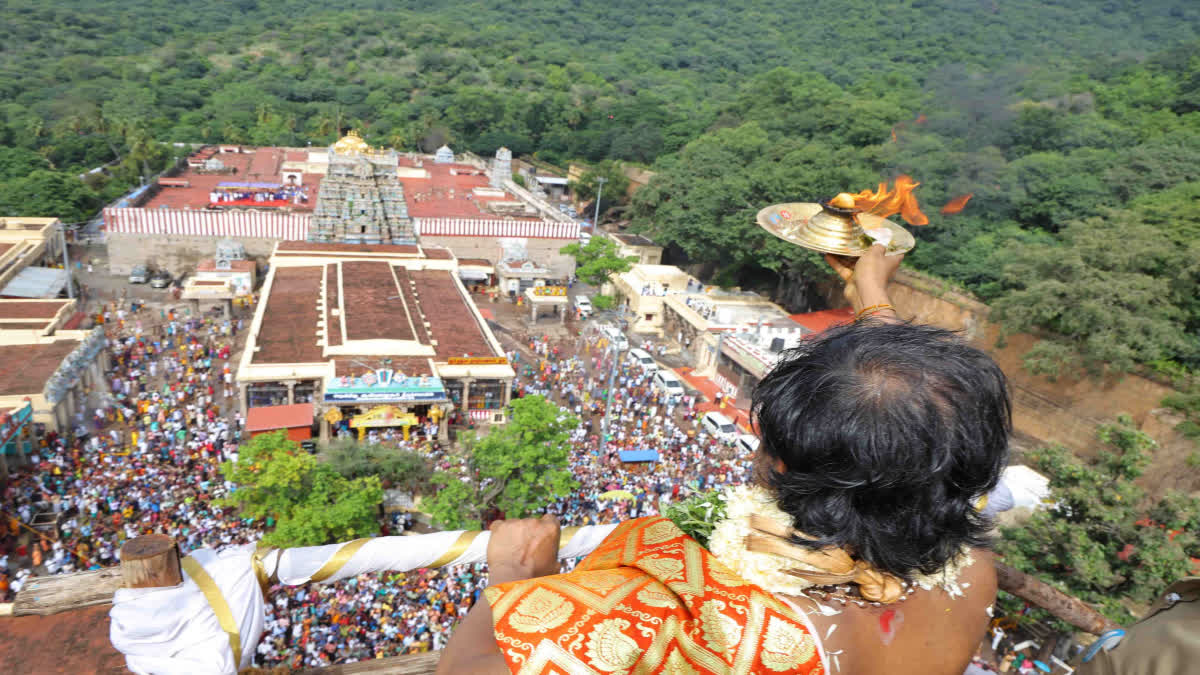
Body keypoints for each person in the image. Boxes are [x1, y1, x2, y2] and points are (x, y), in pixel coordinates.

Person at [437, 245, 1010, 675]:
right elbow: (904, 419)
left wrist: (513, 580)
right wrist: (869, 287)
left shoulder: (696, 620)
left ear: (780, 464)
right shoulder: (971, 568)